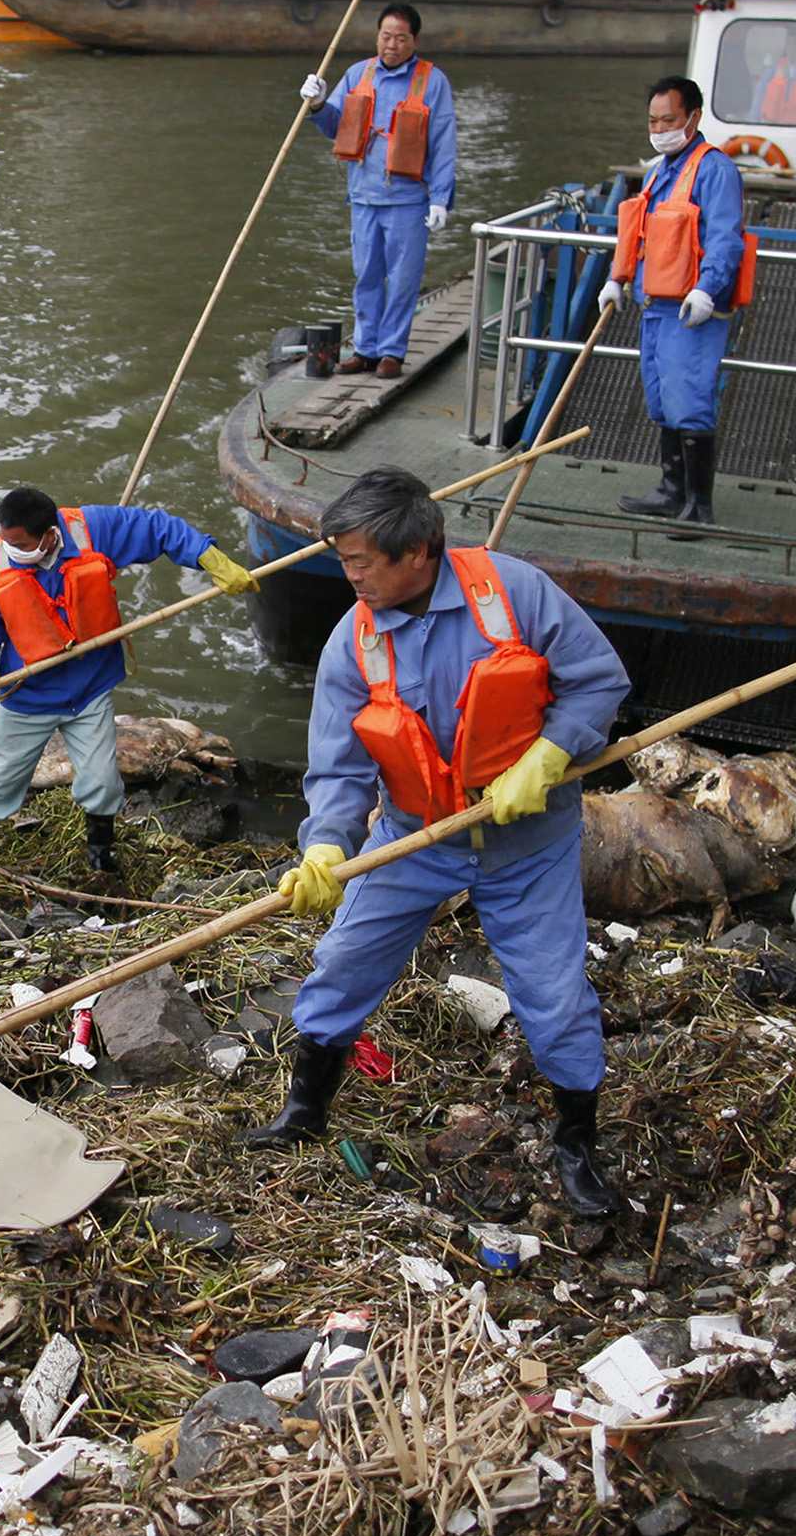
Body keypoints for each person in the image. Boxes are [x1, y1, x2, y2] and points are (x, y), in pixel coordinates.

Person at [254, 467, 632, 1216]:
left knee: (554, 999)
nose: (349, 573)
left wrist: (551, 754)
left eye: (362, 560)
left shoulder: (513, 594)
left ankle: (577, 1143)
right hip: (414, 835)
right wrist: (326, 844)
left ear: (420, 551)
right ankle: (305, 1110)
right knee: (342, 962)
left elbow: (599, 679)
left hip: (530, 841)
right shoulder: (352, 642)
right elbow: (338, 765)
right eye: (343, 558)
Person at [0, 487, 257, 880]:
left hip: (89, 690)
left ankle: (101, 855)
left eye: (21, 543)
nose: (11, 549)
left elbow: (156, 528)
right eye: (6, 540)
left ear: (48, 535)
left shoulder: (91, 530)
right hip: (28, 697)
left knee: (101, 780)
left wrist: (209, 557)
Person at [598, 76, 748, 526]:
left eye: (669, 119)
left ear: (693, 118)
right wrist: (616, 279)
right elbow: (642, 238)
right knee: (662, 399)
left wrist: (707, 288)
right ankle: (671, 489)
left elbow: (726, 238)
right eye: (653, 120)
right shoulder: (658, 170)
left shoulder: (715, 169)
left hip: (692, 309)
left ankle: (698, 505)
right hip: (654, 305)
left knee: (690, 400)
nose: (660, 127)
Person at [300, 4, 457, 380]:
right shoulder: (358, 74)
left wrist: (440, 198)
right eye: (386, 36)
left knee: (403, 278)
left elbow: (443, 141)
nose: (392, 44)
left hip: (408, 199)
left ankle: (392, 351)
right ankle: (366, 348)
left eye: (401, 37)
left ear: (413, 41)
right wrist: (318, 102)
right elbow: (334, 125)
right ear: (377, 37)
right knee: (366, 275)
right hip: (364, 196)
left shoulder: (432, 81)